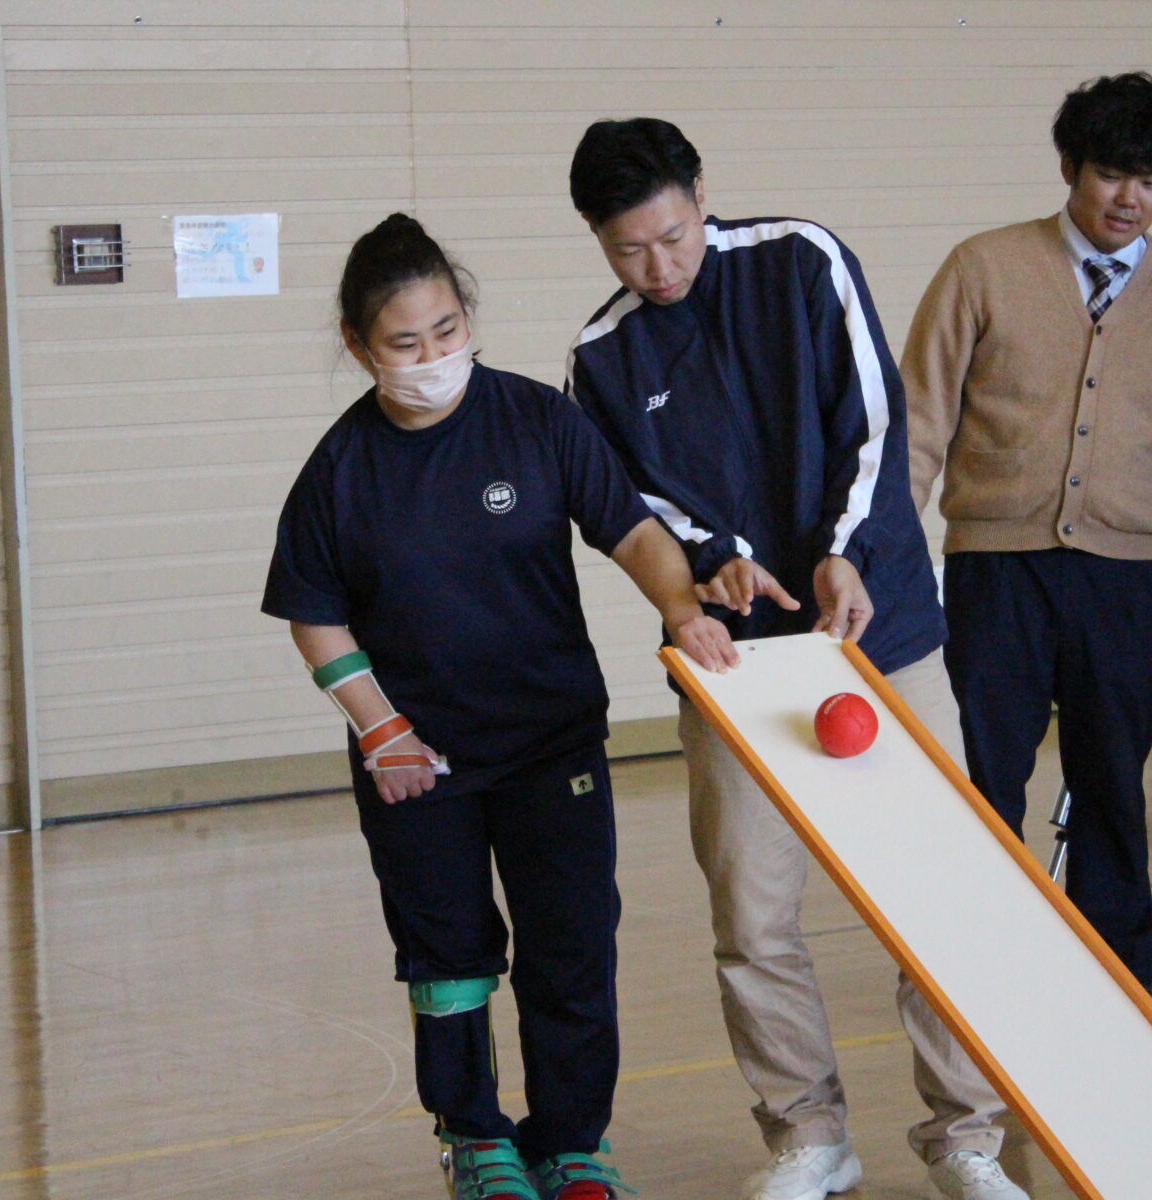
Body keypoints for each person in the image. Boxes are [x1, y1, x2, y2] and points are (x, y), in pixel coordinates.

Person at [565, 118, 1027, 1200]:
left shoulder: (801, 260)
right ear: (598, 241)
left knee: (939, 889)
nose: (659, 267)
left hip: (877, 629)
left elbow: (876, 424)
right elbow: (636, 508)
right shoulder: (600, 358)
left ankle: (967, 1136)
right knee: (752, 914)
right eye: (629, 251)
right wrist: (714, 565)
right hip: (738, 665)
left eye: (673, 237)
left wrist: (843, 557)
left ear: (700, 197)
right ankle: (807, 1134)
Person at [262, 213, 737, 1200]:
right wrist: (381, 730)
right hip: (419, 762)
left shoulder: (536, 421)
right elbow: (315, 617)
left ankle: (572, 1142)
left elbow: (632, 531)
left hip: (549, 742)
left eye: (446, 330)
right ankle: (474, 1137)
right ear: (359, 347)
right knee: (450, 961)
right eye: (405, 343)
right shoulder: (339, 472)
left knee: (570, 948)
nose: (433, 357)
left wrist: (682, 604)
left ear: (467, 318)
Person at [901, 73, 1152, 995]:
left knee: (1112, 792)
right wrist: (886, 562)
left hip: (1122, 579)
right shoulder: (984, 266)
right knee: (984, 783)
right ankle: (982, 978)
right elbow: (918, 421)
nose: (1129, 198)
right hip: (995, 568)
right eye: (1110, 175)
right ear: (1068, 168)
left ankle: (1119, 992)